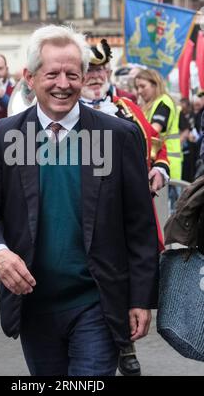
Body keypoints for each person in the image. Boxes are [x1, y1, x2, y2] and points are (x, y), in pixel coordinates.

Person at [0, 24, 159, 377]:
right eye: (52, 73)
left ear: (84, 78)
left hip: (97, 304)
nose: (63, 84)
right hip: (34, 307)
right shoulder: (6, 136)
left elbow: (140, 224)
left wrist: (141, 297)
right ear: (30, 77)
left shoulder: (119, 135)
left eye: (72, 74)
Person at [80, 39, 169, 376]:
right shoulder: (63, 111)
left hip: (123, 208)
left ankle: (124, 342)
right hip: (83, 207)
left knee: (123, 275)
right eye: (89, 69)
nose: (94, 75)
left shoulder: (127, 108)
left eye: (100, 69)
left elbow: (157, 147)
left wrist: (159, 169)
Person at [134, 69, 182, 181]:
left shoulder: (163, 102)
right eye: (137, 88)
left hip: (167, 165)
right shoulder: (150, 105)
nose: (139, 91)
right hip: (157, 166)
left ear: (155, 84)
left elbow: (154, 130)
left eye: (142, 86)